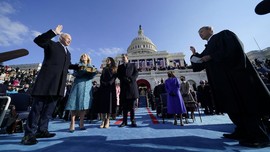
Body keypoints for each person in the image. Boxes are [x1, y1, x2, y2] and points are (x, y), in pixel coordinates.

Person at [190, 26, 270, 148]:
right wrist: (195, 55)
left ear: (210, 30)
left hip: (235, 78)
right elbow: (199, 65)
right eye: (198, 33)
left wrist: (212, 56)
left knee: (245, 106)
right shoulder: (208, 47)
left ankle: (260, 137)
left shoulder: (224, 35)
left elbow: (234, 49)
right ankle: (242, 131)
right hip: (223, 82)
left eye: (202, 31)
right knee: (233, 107)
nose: (200, 34)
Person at [21, 25, 76, 145]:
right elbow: (38, 40)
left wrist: (79, 67)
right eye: (68, 38)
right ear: (61, 38)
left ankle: (42, 130)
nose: (70, 41)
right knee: (37, 109)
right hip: (46, 83)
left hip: (58, 86)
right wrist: (53, 32)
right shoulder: (51, 44)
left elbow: (68, 66)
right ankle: (28, 135)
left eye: (71, 40)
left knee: (48, 110)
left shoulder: (68, 53)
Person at [65, 53, 97, 132]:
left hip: (87, 86)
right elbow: (75, 74)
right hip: (78, 84)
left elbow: (92, 76)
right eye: (82, 56)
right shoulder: (77, 65)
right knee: (74, 104)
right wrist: (81, 71)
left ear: (88, 58)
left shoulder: (91, 66)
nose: (83, 56)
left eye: (85, 56)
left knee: (84, 105)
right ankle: (72, 123)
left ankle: (81, 123)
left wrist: (93, 72)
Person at [117, 54, 139, 127]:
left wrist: (131, 79)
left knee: (132, 107)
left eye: (124, 57)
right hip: (124, 89)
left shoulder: (133, 65)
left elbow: (136, 73)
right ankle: (124, 121)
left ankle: (133, 121)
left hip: (132, 88)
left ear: (127, 58)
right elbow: (119, 75)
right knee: (124, 107)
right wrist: (123, 79)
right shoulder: (120, 67)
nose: (123, 59)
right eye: (122, 58)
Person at [97, 57, 117, 128]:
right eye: (106, 60)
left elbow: (114, 77)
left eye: (108, 60)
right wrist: (102, 83)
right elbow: (101, 77)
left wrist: (109, 83)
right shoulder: (104, 69)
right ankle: (103, 120)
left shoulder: (114, 68)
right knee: (103, 104)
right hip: (103, 88)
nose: (107, 61)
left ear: (111, 61)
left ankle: (108, 120)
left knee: (109, 105)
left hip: (110, 88)